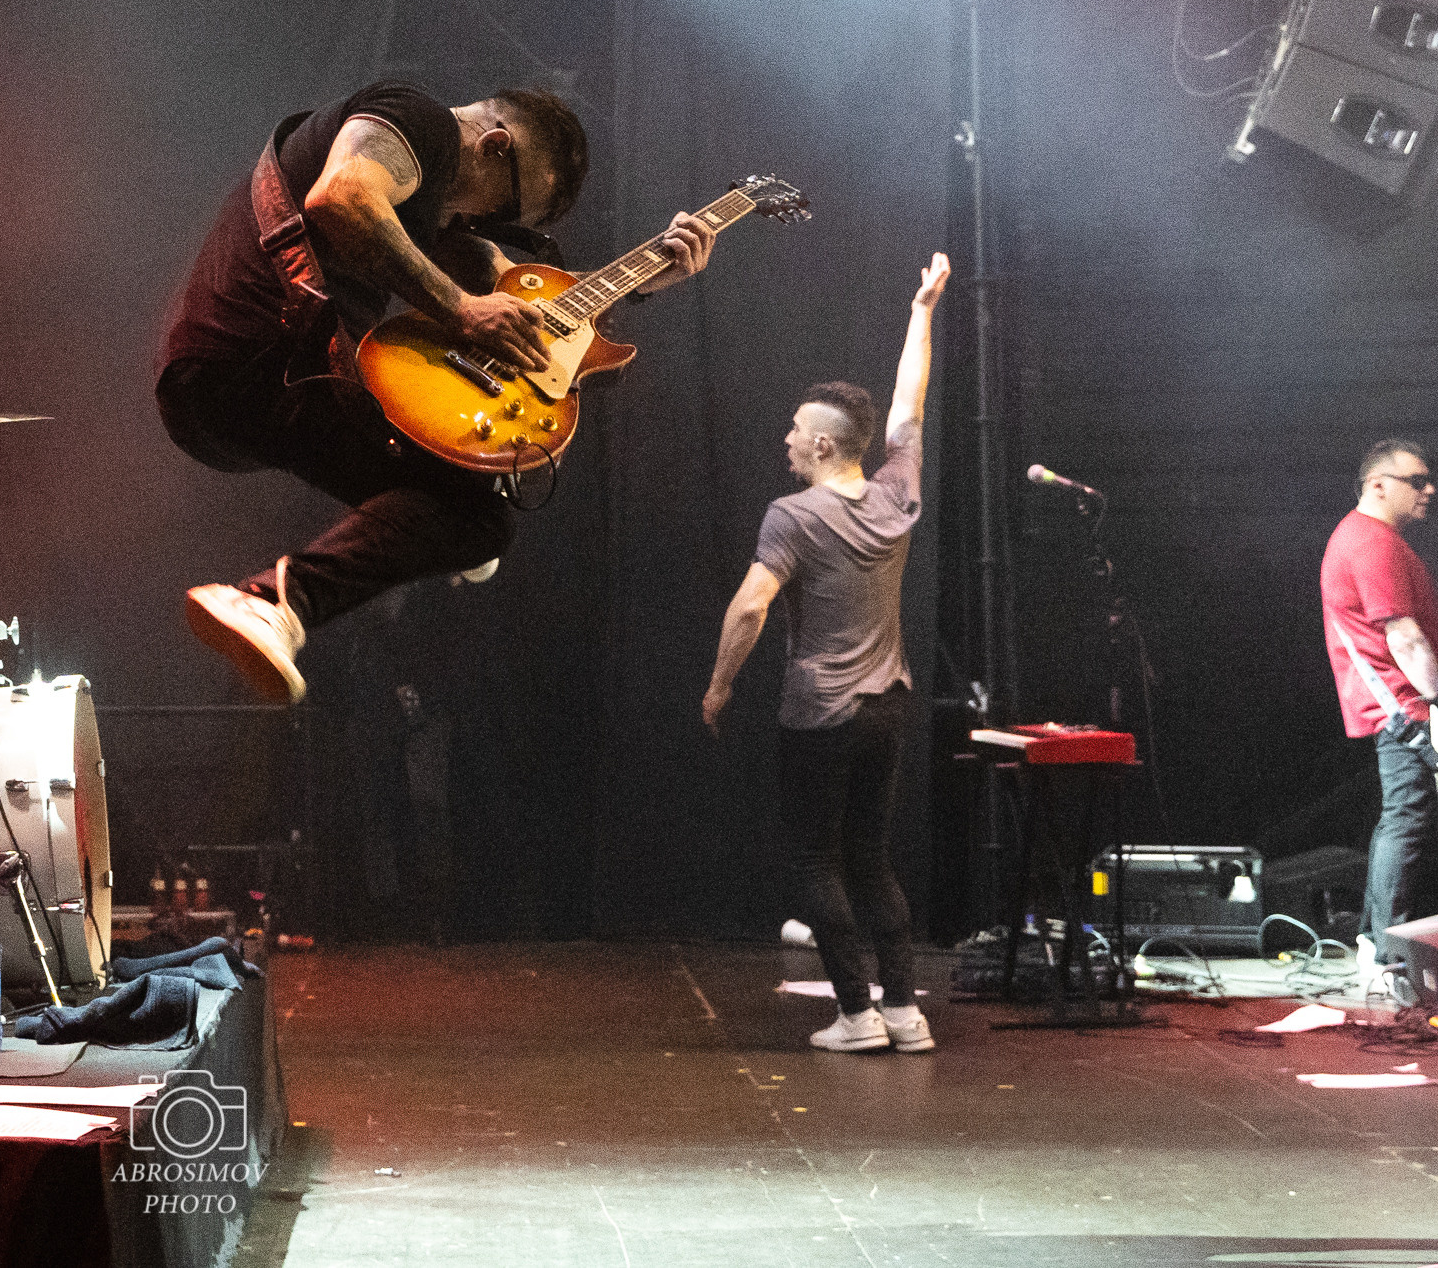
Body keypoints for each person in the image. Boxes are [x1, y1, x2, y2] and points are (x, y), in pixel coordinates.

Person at [157, 79, 713, 703]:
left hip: (240, 384)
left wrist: (647, 275)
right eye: (503, 211)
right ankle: (266, 602)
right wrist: (460, 308)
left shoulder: (426, 206)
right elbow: (341, 196)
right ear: (496, 145)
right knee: (474, 518)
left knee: (469, 512)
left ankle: (278, 597)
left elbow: (542, 300)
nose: (486, 226)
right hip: (257, 360)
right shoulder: (416, 122)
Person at [702, 252, 950, 1054]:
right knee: (873, 856)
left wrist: (718, 687)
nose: (783, 438)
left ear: (816, 443)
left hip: (821, 710)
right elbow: (910, 402)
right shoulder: (895, 492)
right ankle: (905, 1011)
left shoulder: (793, 514)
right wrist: (923, 310)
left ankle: (855, 1014)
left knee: (816, 860)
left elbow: (750, 605)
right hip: (892, 704)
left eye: (791, 431)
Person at [1319, 437, 1438, 996]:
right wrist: (1435, 705)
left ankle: (1381, 946)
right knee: (1407, 817)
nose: (1429, 489)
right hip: (1405, 706)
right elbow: (1403, 633)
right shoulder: (1371, 543)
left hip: (1401, 704)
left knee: (1405, 817)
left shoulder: (1371, 539)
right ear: (1378, 485)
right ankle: (1386, 955)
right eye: (1417, 481)